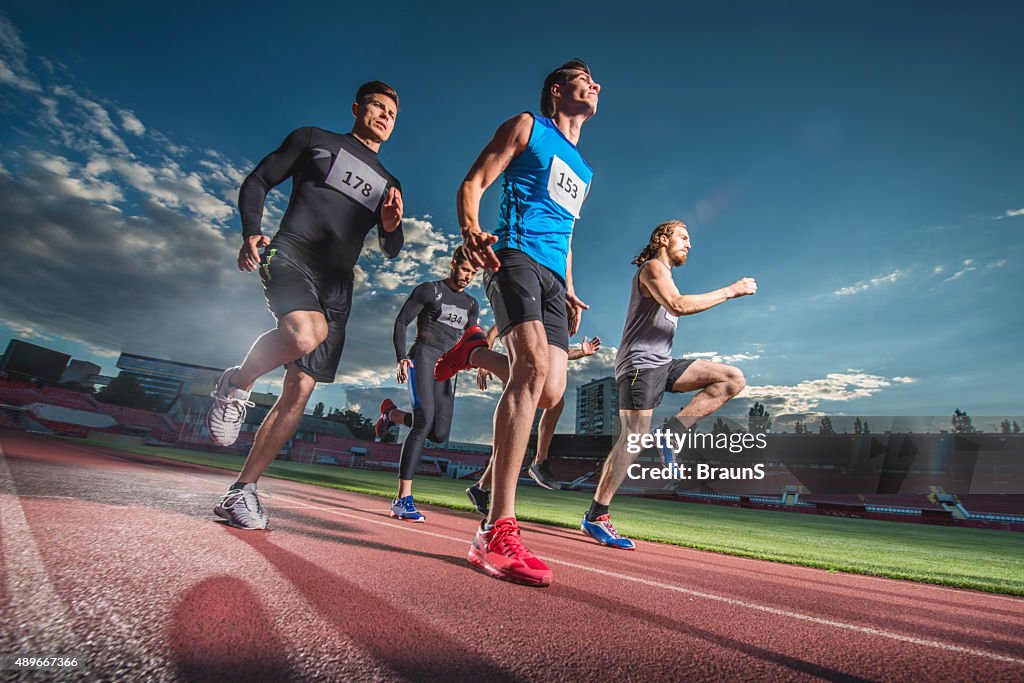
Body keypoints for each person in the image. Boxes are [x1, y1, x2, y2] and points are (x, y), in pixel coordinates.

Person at [208, 81, 405, 530]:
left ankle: (242, 492)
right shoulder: (315, 139)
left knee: (300, 390)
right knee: (303, 333)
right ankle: (236, 382)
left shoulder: (390, 183)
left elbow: (392, 246)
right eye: (377, 106)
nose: (384, 116)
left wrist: (392, 225)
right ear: (357, 108)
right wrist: (250, 230)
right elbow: (260, 179)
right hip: (292, 253)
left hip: (338, 287)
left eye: (392, 113)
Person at [435, 59, 599, 586]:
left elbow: (568, 233)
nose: (595, 85)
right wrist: (470, 229)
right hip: (513, 257)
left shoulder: (585, 169)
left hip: (553, 277)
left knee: (551, 392)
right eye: (584, 78)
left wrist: (570, 288)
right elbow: (475, 180)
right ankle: (496, 527)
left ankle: (475, 355)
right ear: (558, 89)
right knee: (529, 373)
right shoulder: (529, 125)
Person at [581, 220, 756, 550]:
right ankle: (596, 515)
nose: (689, 244)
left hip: (662, 363)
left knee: (731, 379)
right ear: (662, 238)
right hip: (639, 365)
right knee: (633, 437)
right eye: (684, 237)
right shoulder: (652, 269)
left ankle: (671, 432)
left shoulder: (667, 275)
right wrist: (731, 291)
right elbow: (678, 305)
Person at [374, 247, 480, 523]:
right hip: (423, 355)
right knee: (424, 422)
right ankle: (402, 500)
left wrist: (480, 365)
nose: (469, 276)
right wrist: (400, 357)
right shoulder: (430, 291)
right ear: (454, 263)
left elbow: (471, 339)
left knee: (439, 433)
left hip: (447, 368)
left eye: (473, 273)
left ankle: (392, 415)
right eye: (466, 269)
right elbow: (402, 321)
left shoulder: (471, 304)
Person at [463, 327, 601, 515]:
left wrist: (581, 353)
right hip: (519, 371)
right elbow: (491, 334)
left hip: (535, 373)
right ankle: (538, 462)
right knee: (549, 407)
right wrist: (485, 363)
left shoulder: (547, 324)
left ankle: (481, 488)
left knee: (514, 442)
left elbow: (561, 354)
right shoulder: (523, 310)